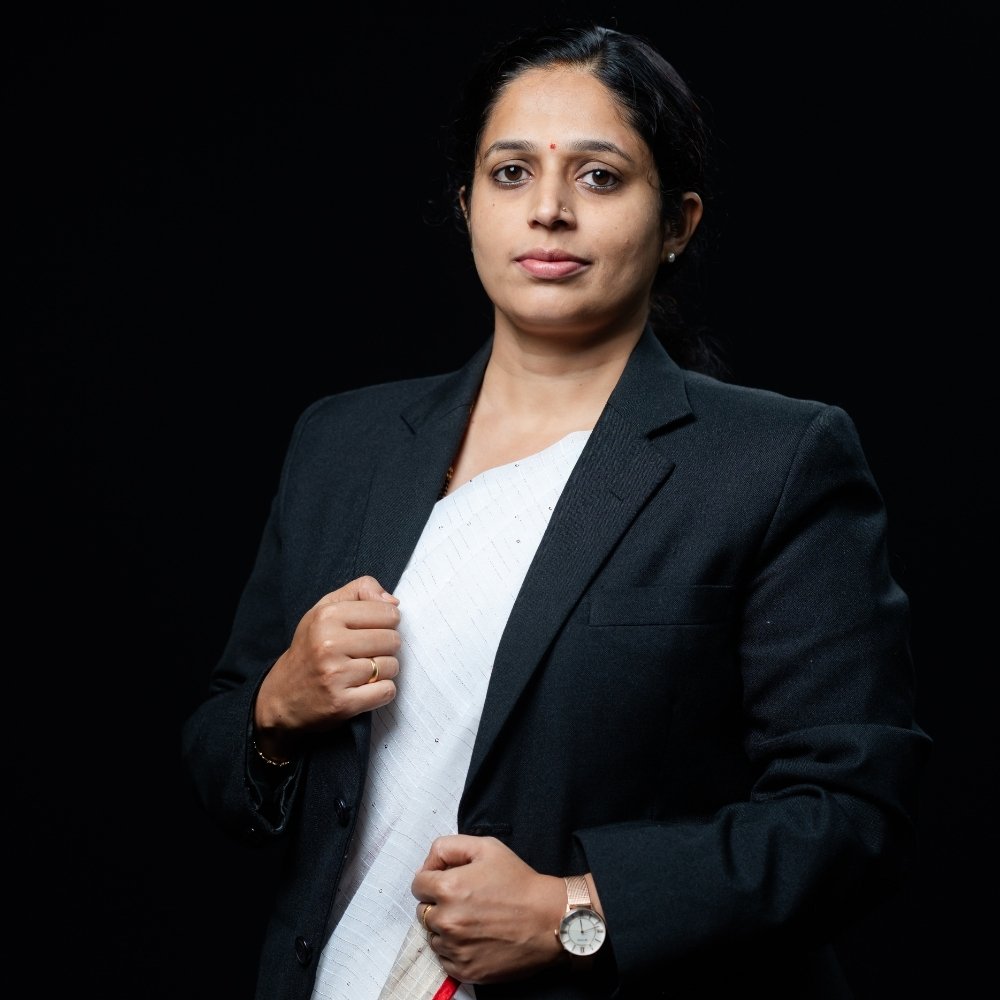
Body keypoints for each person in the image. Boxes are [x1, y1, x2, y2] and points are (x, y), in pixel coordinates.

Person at [181, 21, 931, 1000]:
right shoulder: (344, 442)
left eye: (599, 177)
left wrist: (576, 911)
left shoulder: (772, 462)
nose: (547, 210)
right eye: (510, 173)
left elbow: (853, 815)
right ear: (467, 205)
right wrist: (276, 712)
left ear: (677, 222)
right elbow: (221, 749)